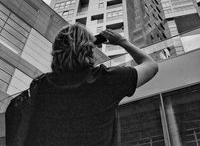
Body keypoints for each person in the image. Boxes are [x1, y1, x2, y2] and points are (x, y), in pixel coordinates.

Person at [25, 23, 158, 146]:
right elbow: (151, 66)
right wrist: (121, 41)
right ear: (89, 49)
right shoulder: (107, 79)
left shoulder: (41, 85)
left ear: (56, 52)